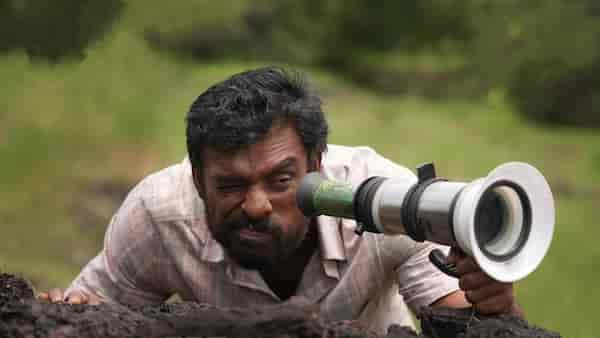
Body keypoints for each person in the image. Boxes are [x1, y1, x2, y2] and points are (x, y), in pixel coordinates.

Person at [39, 67, 522, 333]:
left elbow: (465, 323)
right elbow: (88, 312)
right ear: (197, 179)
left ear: (318, 164)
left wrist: (495, 306)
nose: (256, 206)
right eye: (230, 186)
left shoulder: (393, 204)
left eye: (280, 179)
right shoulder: (157, 215)